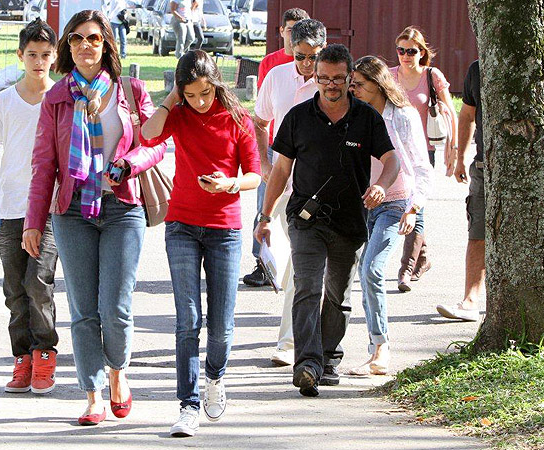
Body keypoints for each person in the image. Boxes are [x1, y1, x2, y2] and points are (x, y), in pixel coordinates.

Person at [23, 10, 166, 425]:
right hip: (72, 212)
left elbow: (156, 145)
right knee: (84, 309)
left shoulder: (131, 89)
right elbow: (43, 164)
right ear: (67, 47)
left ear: (106, 45)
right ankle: (93, 392)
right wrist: (34, 221)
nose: (86, 45)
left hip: (123, 208)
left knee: (116, 307)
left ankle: (119, 373)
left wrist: (130, 163)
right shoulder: (57, 97)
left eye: (94, 39)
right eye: (77, 39)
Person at [255, 44, 400, 397]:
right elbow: (281, 169)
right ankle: (307, 363)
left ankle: (329, 357)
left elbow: (392, 159)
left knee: (337, 294)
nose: (330, 85)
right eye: (323, 78)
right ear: (314, 77)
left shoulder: (366, 118)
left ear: (349, 78)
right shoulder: (297, 117)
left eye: (337, 78)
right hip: (305, 218)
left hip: (350, 221)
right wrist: (265, 215)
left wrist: (381, 185)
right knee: (307, 286)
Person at [140, 50, 260, 437]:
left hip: (224, 227)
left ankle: (215, 376)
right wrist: (173, 98)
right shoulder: (179, 113)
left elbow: (255, 175)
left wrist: (230, 184)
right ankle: (188, 404)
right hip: (182, 225)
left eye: (205, 92)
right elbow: (148, 133)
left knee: (222, 322)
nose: (200, 102)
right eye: (191, 95)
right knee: (187, 319)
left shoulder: (237, 119)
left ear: (216, 83)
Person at [0, 19, 59, 395]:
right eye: (32, 55)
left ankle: (44, 354)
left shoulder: (61, 100)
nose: (39, 62)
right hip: (10, 208)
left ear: (55, 58)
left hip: (51, 210)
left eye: (45, 55)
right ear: (21, 56)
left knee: (38, 281)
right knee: (14, 289)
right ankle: (21, 359)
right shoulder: (2, 103)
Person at [348, 55, 432, 374]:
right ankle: (373, 348)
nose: (352, 88)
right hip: (362, 205)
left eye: (359, 84)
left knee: (372, 270)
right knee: (363, 274)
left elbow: (422, 168)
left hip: (395, 202)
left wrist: (414, 208)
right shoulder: (355, 115)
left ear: (378, 84)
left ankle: (382, 348)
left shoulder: (403, 116)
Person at [253, 18, 325, 367]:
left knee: (300, 265)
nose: (308, 64)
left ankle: (289, 341)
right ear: (290, 50)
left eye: (314, 56)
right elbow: (259, 121)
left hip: (319, 188)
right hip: (281, 180)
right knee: (284, 258)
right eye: (301, 56)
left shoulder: (334, 82)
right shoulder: (276, 77)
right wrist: (264, 164)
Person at [244, 7, 310, 288]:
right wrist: (264, 161)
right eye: (290, 30)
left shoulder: (323, 71)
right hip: (277, 149)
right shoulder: (271, 65)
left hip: (310, 158)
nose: (306, 61)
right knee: (266, 206)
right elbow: (262, 115)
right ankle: (262, 263)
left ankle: (298, 265)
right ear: (282, 32)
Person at [390, 26, 458, 291]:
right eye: (401, 50)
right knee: (403, 205)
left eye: (411, 51)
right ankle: (424, 257)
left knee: (415, 206)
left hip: (423, 151)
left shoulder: (431, 75)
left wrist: (453, 147)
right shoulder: (390, 76)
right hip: (395, 150)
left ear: (422, 52)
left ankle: (405, 269)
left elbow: (451, 112)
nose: (406, 56)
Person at [436, 60, 484, 322]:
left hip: (538, 167)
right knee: (478, 231)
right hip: (485, 163)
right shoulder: (477, 69)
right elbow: (467, 115)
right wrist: (461, 156)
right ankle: (470, 300)